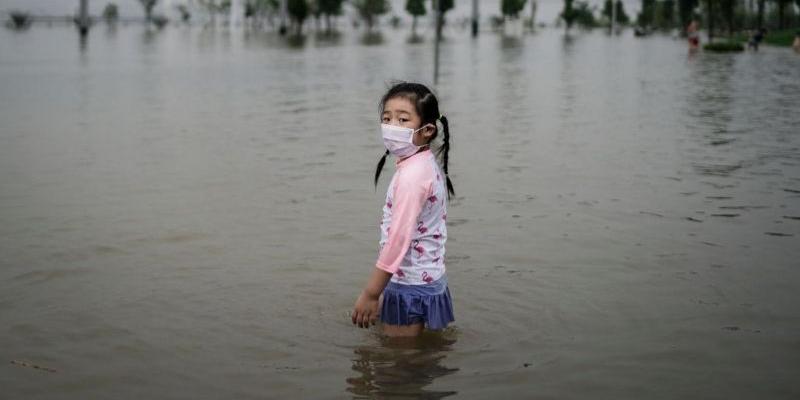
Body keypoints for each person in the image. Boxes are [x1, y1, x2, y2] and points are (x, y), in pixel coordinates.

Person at [351, 82, 456, 337]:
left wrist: (371, 293)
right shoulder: (423, 163)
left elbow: (398, 241)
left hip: (411, 284)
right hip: (428, 277)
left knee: (399, 367)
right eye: (387, 118)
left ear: (427, 130)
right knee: (414, 358)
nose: (391, 127)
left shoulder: (412, 177)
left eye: (403, 119)